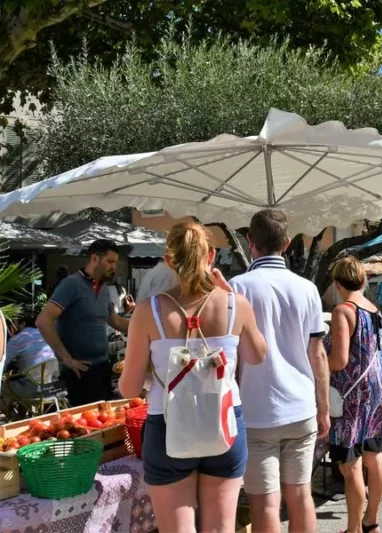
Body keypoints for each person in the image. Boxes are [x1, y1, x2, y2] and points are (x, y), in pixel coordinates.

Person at [119, 221, 267, 533]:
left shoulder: (148, 311)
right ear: (211, 256)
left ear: (169, 260)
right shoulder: (235, 304)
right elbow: (256, 356)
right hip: (225, 422)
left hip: (167, 424)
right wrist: (231, 299)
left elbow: (129, 387)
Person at [227, 208, 330, 533]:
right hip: (301, 407)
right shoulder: (307, 289)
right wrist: (324, 407)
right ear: (286, 243)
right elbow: (318, 356)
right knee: (300, 496)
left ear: (249, 242)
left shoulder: (236, 288)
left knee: (265, 503)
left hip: (257, 410)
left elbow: (230, 356)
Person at [326, 257, 382, 533]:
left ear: (337, 283)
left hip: (351, 394)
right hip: (376, 388)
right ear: (363, 281)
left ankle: (352, 529)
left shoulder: (343, 311)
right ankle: (371, 521)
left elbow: (339, 361)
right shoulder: (375, 311)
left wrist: (315, 358)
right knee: (374, 456)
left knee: (350, 463)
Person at [36, 239, 130, 406]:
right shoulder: (71, 285)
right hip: (79, 372)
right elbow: (43, 321)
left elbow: (115, 321)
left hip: (102, 368)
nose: (113, 267)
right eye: (109, 262)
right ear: (94, 259)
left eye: (115, 262)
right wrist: (66, 358)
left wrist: (150, 327)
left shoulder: (104, 289)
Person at [4, 311, 59, 398]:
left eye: (15, 323)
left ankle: (12, 411)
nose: (13, 327)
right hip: (55, 387)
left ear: (23, 323)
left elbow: (3, 362)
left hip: (33, 391)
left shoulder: (18, 338)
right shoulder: (46, 334)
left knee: (4, 387)